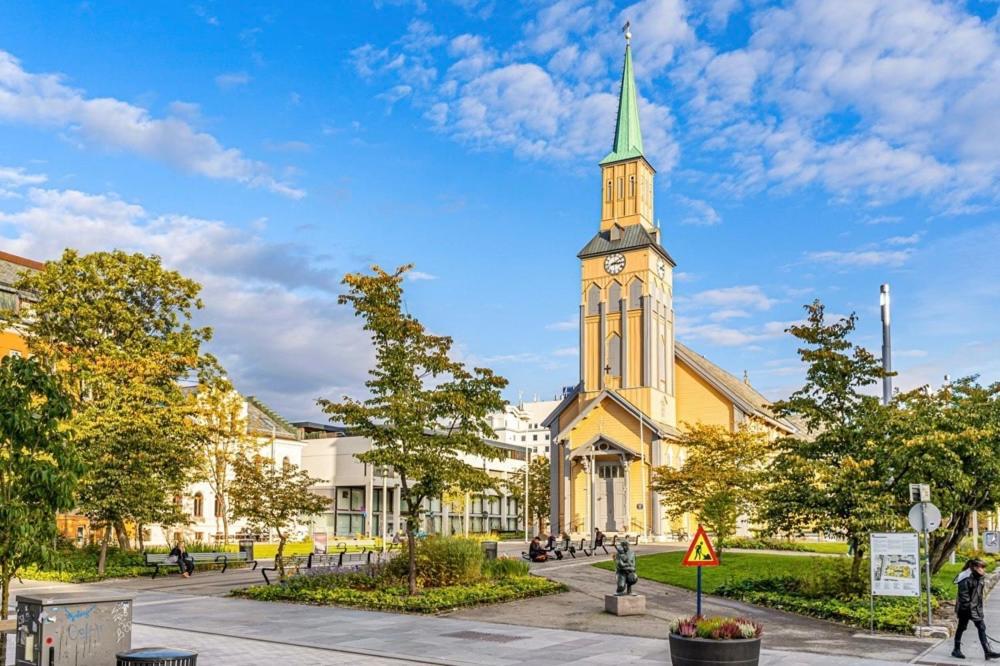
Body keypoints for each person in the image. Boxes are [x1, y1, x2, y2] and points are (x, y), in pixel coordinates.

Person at [953, 558, 1000, 660]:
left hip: (975, 608)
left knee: (981, 627)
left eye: (984, 567)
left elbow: (978, 595)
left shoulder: (979, 577)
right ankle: (956, 650)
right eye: (982, 567)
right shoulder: (965, 578)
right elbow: (964, 597)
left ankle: (987, 651)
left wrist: (978, 610)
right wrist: (971, 611)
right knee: (962, 628)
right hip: (965, 609)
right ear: (974, 568)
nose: (984, 570)